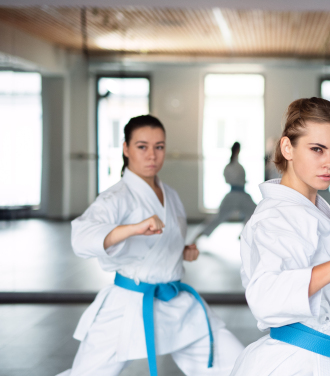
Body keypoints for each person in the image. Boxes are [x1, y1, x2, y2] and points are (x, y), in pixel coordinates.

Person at [58, 115, 243, 376]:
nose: (152, 155)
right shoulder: (116, 197)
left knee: (235, 365)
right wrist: (134, 228)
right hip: (129, 305)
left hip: (176, 302)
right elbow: (81, 238)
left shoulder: (171, 194)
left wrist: (181, 251)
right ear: (126, 149)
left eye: (159, 146)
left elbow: (161, 246)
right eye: (142, 146)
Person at [231, 97, 330, 376]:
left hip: (326, 357)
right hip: (293, 363)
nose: (329, 162)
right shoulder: (275, 217)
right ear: (287, 147)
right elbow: (267, 298)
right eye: (317, 149)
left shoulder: (313, 209)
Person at [195, 142, 256, 240]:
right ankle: (202, 232)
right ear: (238, 150)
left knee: (252, 212)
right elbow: (237, 179)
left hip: (237, 194)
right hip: (237, 194)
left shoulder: (230, 166)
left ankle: (245, 233)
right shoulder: (235, 166)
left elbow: (228, 179)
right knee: (252, 212)